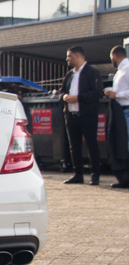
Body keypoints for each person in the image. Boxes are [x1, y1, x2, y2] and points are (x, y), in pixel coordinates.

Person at [59, 46, 103, 185]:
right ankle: (78, 174)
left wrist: (79, 98)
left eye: (69, 56)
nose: (67, 59)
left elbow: (97, 93)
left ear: (77, 56)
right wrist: (64, 96)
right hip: (71, 116)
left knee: (91, 145)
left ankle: (95, 175)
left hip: (87, 115)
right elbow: (61, 92)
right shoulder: (69, 75)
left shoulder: (93, 72)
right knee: (74, 146)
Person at [104, 46, 129, 188]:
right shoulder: (120, 71)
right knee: (122, 145)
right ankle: (125, 178)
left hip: (126, 110)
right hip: (120, 111)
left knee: (126, 145)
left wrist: (117, 94)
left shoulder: (127, 68)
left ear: (114, 56)